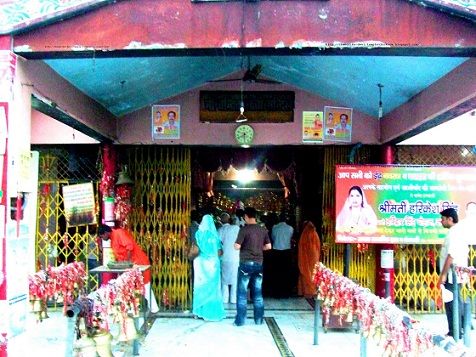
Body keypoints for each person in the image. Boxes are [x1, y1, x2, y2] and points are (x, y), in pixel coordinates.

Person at [98, 225, 159, 313]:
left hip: (138, 262)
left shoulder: (119, 233)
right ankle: (131, 308)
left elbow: (130, 246)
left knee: (145, 285)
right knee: (128, 286)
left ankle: (153, 308)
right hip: (128, 266)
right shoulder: (112, 239)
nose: (102, 238)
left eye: (102, 236)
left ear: (106, 233)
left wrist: (126, 263)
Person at [234, 207, 272, 326]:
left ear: (246, 216)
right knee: (257, 292)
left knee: (242, 293)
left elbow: (236, 246)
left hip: (245, 263)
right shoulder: (263, 230)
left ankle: (240, 321)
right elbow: (269, 246)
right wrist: (259, 248)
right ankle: (259, 320)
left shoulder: (244, 230)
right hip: (258, 264)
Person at [437, 208, 469, 339]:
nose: (441, 221)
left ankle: (455, 331)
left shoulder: (454, 233)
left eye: (443, 219)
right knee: (454, 301)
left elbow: (451, 256)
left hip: (452, 276)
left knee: (451, 303)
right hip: (455, 275)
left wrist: (443, 275)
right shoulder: (458, 232)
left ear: (450, 219)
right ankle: (457, 329)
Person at [192, 214, 226, 321]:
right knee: (213, 288)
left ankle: (199, 312)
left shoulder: (199, 234)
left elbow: (196, 248)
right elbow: (220, 252)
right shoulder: (215, 236)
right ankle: (211, 313)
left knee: (200, 286)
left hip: (201, 264)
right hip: (213, 265)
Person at [270, 213, 294, 298]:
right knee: (286, 273)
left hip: (276, 252)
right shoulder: (290, 228)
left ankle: (276, 292)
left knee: (276, 272)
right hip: (286, 252)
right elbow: (291, 238)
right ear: (286, 219)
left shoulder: (274, 228)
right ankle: (285, 292)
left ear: (279, 219)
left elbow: (273, 238)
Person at [218, 212, 240, 304]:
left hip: (225, 257)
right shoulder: (236, 228)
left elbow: (218, 243)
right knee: (235, 279)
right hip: (235, 257)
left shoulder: (220, 230)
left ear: (221, 220)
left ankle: (224, 298)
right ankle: (234, 299)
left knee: (224, 279)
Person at [297, 221, 321, 298]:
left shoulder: (304, 234)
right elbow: (318, 246)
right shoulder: (315, 233)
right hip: (314, 256)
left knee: (305, 271)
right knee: (313, 272)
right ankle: (313, 290)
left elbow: (301, 247)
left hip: (306, 256)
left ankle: (305, 291)